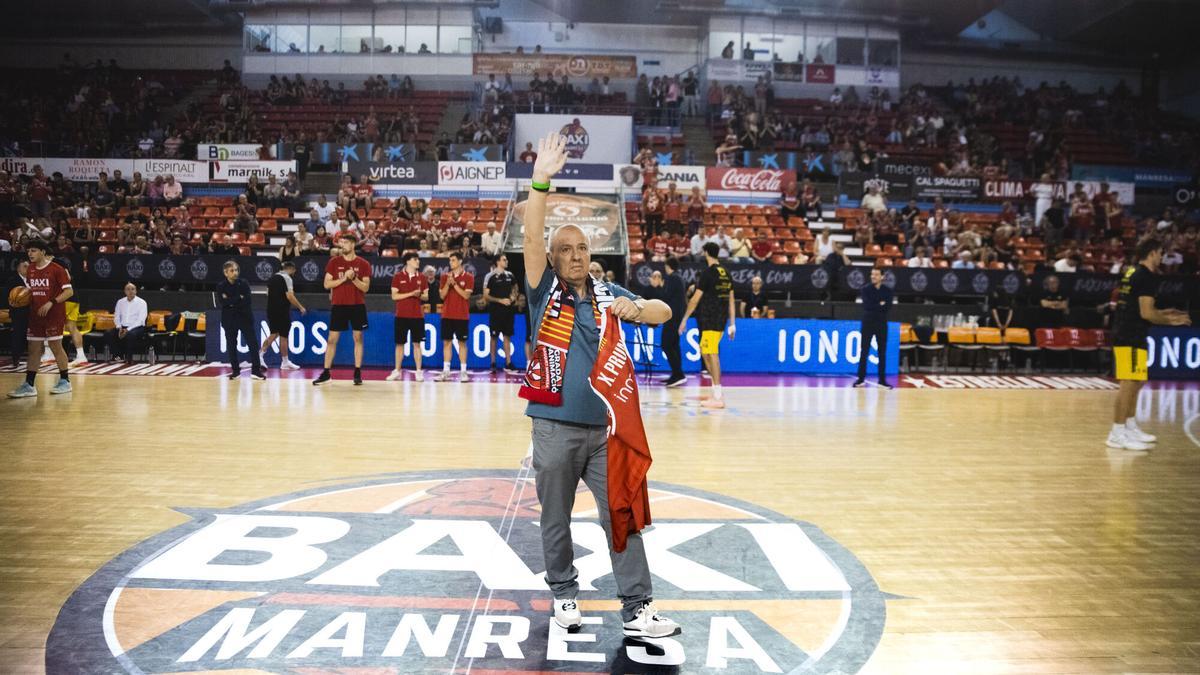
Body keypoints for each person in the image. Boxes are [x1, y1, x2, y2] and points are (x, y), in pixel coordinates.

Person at [519, 132, 678, 639]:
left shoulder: (610, 293)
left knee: (622, 516)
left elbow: (664, 311)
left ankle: (636, 607)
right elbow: (531, 235)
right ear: (553, 257)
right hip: (554, 427)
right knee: (557, 518)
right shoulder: (543, 291)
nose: (575, 254)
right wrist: (540, 181)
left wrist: (640, 308)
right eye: (564, 249)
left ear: (593, 252)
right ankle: (564, 594)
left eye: (582, 247)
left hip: (606, 432)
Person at [1107, 237, 1191, 451]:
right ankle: (1117, 433)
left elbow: (1138, 308)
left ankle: (1129, 425)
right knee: (1128, 384)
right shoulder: (1147, 277)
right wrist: (1171, 320)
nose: (1162, 257)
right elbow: (1146, 313)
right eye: (1161, 253)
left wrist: (1164, 312)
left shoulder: (1132, 272)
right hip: (1130, 334)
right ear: (1152, 252)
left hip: (1129, 330)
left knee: (1138, 381)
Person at [8, 242, 75, 397]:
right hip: (35, 314)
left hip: (54, 314)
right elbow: (31, 291)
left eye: (34, 251)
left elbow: (69, 292)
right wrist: (20, 299)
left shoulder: (56, 269)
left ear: (43, 252)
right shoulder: (30, 269)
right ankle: (29, 385)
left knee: (55, 346)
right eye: (28, 251)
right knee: (34, 349)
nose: (30, 254)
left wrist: (51, 302)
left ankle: (65, 381)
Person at [679, 242, 735, 408]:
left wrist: (684, 319)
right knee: (705, 351)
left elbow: (695, 299)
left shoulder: (707, 273)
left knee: (712, 353)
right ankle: (715, 390)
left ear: (705, 253)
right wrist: (732, 323)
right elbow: (731, 299)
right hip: (721, 318)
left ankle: (718, 396)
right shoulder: (726, 273)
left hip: (711, 318)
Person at [313, 234, 371, 386]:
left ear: (353, 245)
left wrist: (353, 279)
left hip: (357, 305)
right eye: (341, 242)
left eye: (345, 243)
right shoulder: (334, 262)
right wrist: (344, 279)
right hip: (339, 305)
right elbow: (327, 284)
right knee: (332, 339)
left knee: (358, 338)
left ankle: (357, 371)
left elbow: (365, 287)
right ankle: (326, 372)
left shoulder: (363, 263)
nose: (342, 245)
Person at [216, 261, 265, 381]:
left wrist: (231, 301)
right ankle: (235, 371)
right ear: (225, 272)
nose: (235, 273)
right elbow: (223, 303)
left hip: (244, 317)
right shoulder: (221, 286)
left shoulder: (243, 283)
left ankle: (256, 371)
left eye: (236, 270)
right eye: (232, 271)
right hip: (229, 320)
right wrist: (238, 298)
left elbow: (247, 300)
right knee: (231, 345)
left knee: (253, 344)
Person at [388, 252, 429, 382]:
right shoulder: (398, 277)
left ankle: (418, 371)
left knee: (417, 344)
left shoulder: (422, 277)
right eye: (415, 259)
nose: (418, 261)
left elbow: (426, 297)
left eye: (418, 259)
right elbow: (394, 296)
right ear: (408, 261)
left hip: (417, 316)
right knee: (399, 344)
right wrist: (411, 293)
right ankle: (397, 371)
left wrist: (419, 295)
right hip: (401, 315)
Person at [435, 252, 474, 382]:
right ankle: (446, 371)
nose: (451, 262)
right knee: (447, 342)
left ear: (460, 261)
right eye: (450, 260)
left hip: (462, 315)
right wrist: (448, 283)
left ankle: (463, 371)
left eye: (453, 260)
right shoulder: (444, 277)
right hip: (447, 314)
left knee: (462, 343)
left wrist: (455, 284)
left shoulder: (468, 277)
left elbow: (466, 296)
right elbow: (442, 296)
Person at [852, 268, 894, 389]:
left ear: (882, 277)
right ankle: (860, 379)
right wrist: (880, 304)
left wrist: (879, 305)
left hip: (881, 324)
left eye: (876, 274)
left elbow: (888, 306)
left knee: (882, 352)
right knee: (864, 351)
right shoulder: (865, 289)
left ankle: (882, 380)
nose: (873, 276)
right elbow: (867, 305)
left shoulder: (888, 291)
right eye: (872, 274)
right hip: (868, 323)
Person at [262, 261, 306, 370]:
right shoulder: (287, 278)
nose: (294, 272)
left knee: (277, 334)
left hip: (271, 310)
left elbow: (267, 293)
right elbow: (290, 296)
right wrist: (300, 307)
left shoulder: (272, 278)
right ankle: (261, 355)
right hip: (281, 311)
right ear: (291, 269)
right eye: (294, 270)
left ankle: (283, 361)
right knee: (281, 336)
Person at [484, 253, 518, 373]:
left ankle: (508, 362)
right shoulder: (490, 276)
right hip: (495, 310)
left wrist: (513, 297)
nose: (506, 261)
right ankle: (493, 362)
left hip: (508, 310)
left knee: (507, 336)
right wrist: (500, 300)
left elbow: (515, 288)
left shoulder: (510, 275)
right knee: (494, 336)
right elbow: (486, 295)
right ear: (498, 262)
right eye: (504, 259)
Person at [659, 257, 687, 386]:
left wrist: (658, 287)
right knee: (674, 345)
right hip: (677, 316)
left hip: (672, 316)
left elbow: (666, 296)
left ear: (668, 265)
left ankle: (678, 374)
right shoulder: (679, 278)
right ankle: (677, 373)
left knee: (666, 344)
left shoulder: (672, 278)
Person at [104, 282, 148, 363]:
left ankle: (129, 357)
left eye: (133, 289)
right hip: (122, 326)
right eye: (128, 289)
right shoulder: (120, 302)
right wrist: (119, 327)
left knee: (130, 334)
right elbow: (116, 316)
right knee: (108, 333)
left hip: (137, 327)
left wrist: (128, 330)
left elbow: (141, 320)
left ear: (136, 291)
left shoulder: (142, 302)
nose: (130, 291)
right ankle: (117, 355)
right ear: (125, 291)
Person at [6, 259, 29, 367]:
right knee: (18, 336)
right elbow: (10, 299)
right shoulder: (13, 280)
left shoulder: (32, 280)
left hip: (31, 313)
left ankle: (35, 356)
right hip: (18, 313)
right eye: (25, 266)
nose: (27, 268)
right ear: (18, 268)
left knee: (32, 337)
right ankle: (16, 358)